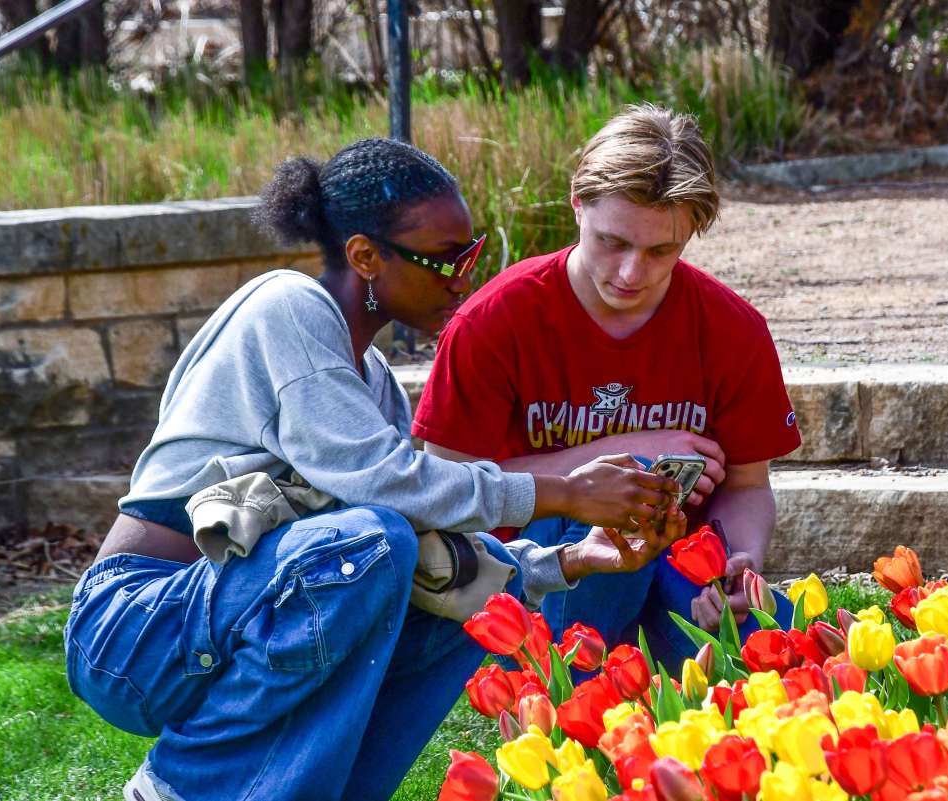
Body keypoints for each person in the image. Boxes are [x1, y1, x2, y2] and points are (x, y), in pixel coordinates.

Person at [62, 137, 687, 801]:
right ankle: (178, 790)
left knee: (462, 587)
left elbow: (433, 546)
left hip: (226, 616)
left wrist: (571, 561)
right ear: (365, 256)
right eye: (447, 258)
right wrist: (563, 490)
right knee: (368, 542)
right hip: (136, 623)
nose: (464, 278)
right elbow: (384, 482)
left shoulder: (376, 382)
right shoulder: (285, 306)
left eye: (471, 254)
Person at [413, 104, 803, 672]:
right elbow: (442, 491)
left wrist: (741, 561)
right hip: (544, 570)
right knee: (609, 530)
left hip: (681, 564)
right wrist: (610, 456)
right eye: (612, 242)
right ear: (577, 202)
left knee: (777, 659)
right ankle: (568, 683)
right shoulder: (493, 321)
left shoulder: (731, 328)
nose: (630, 273)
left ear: (693, 228)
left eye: (661, 251)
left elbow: (747, 486)